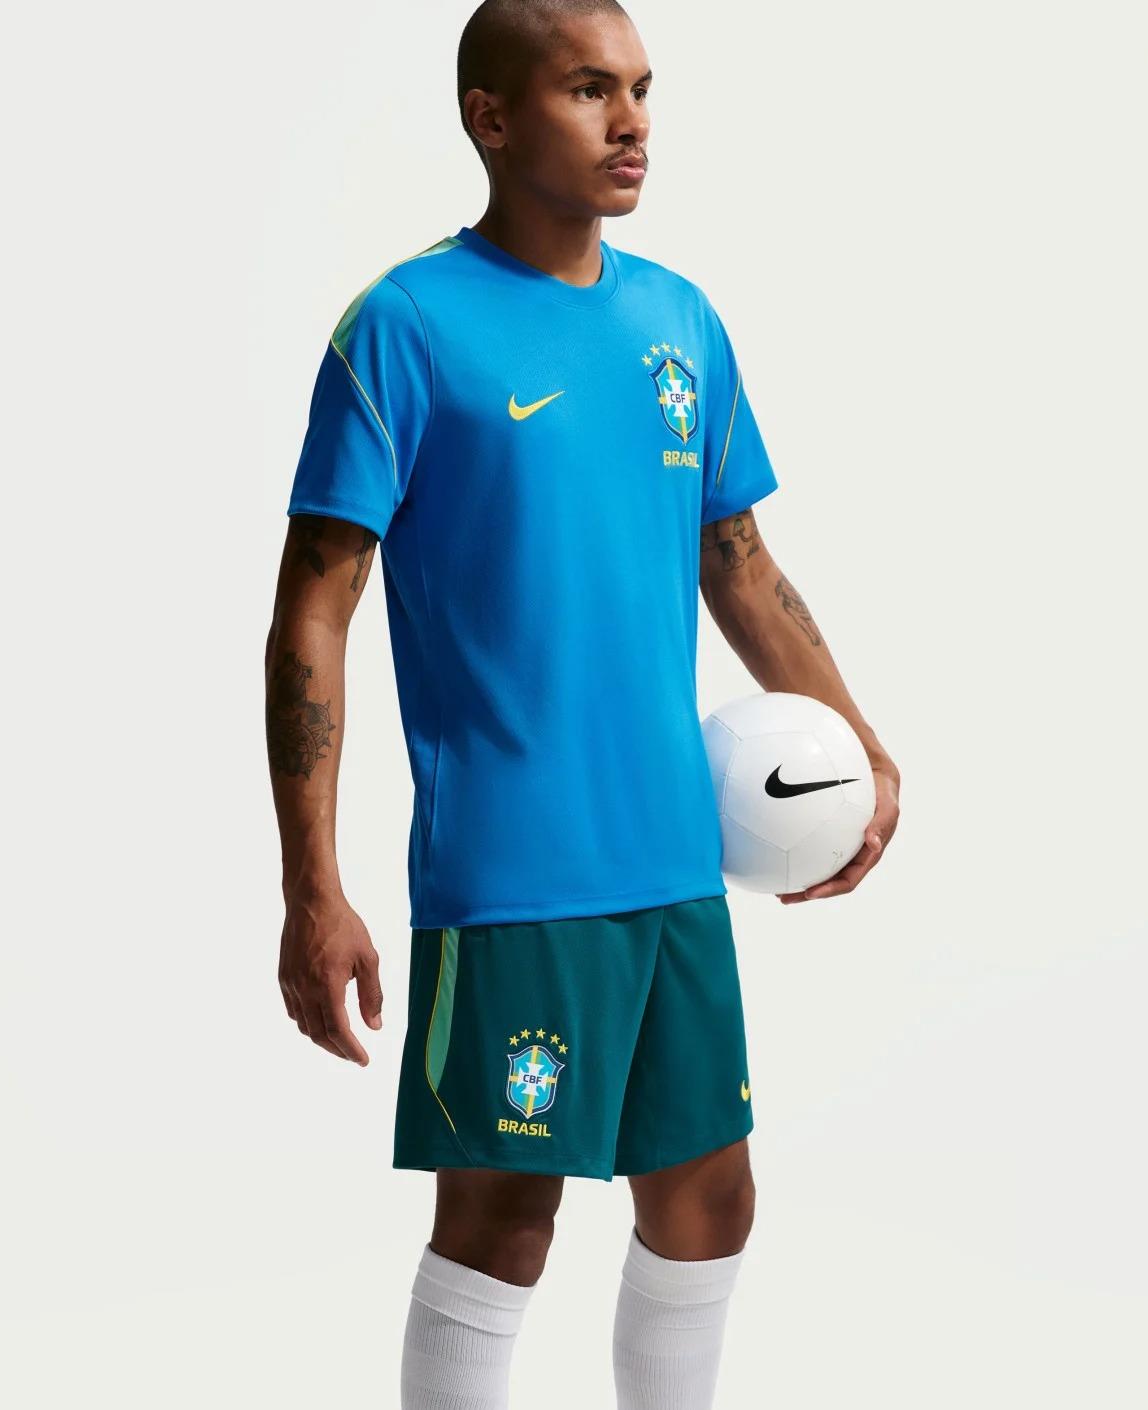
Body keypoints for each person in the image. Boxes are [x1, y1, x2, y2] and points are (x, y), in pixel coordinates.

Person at [264, 1, 900, 1405]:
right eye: (588, 90)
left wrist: (857, 742)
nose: (632, 123)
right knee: (503, 1221)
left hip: (673, 856)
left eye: (642, 90)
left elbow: (737, 560)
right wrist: (315, 885)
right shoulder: (405, 328)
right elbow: (314, 605)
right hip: (513, 869)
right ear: (490, 119)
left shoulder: (679, 320)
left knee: (710, 1199)